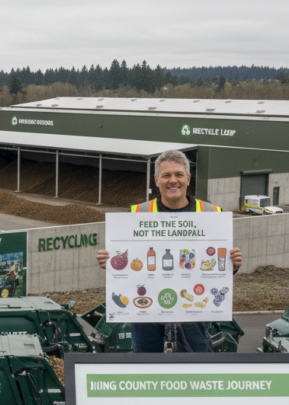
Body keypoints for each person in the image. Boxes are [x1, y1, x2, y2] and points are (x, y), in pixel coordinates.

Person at [97, 149, 242, 353]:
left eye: (178, 175)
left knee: (193, 370)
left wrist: (232, 266)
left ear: (188, 179)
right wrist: (109, 262)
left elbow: (215, 269)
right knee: (148, 371)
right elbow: (127, 265)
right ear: (157, 180)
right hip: (147, 315)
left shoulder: (212, 214)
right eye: (166, 175)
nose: (173, 181)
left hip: (192, 313)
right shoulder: (137, 214)